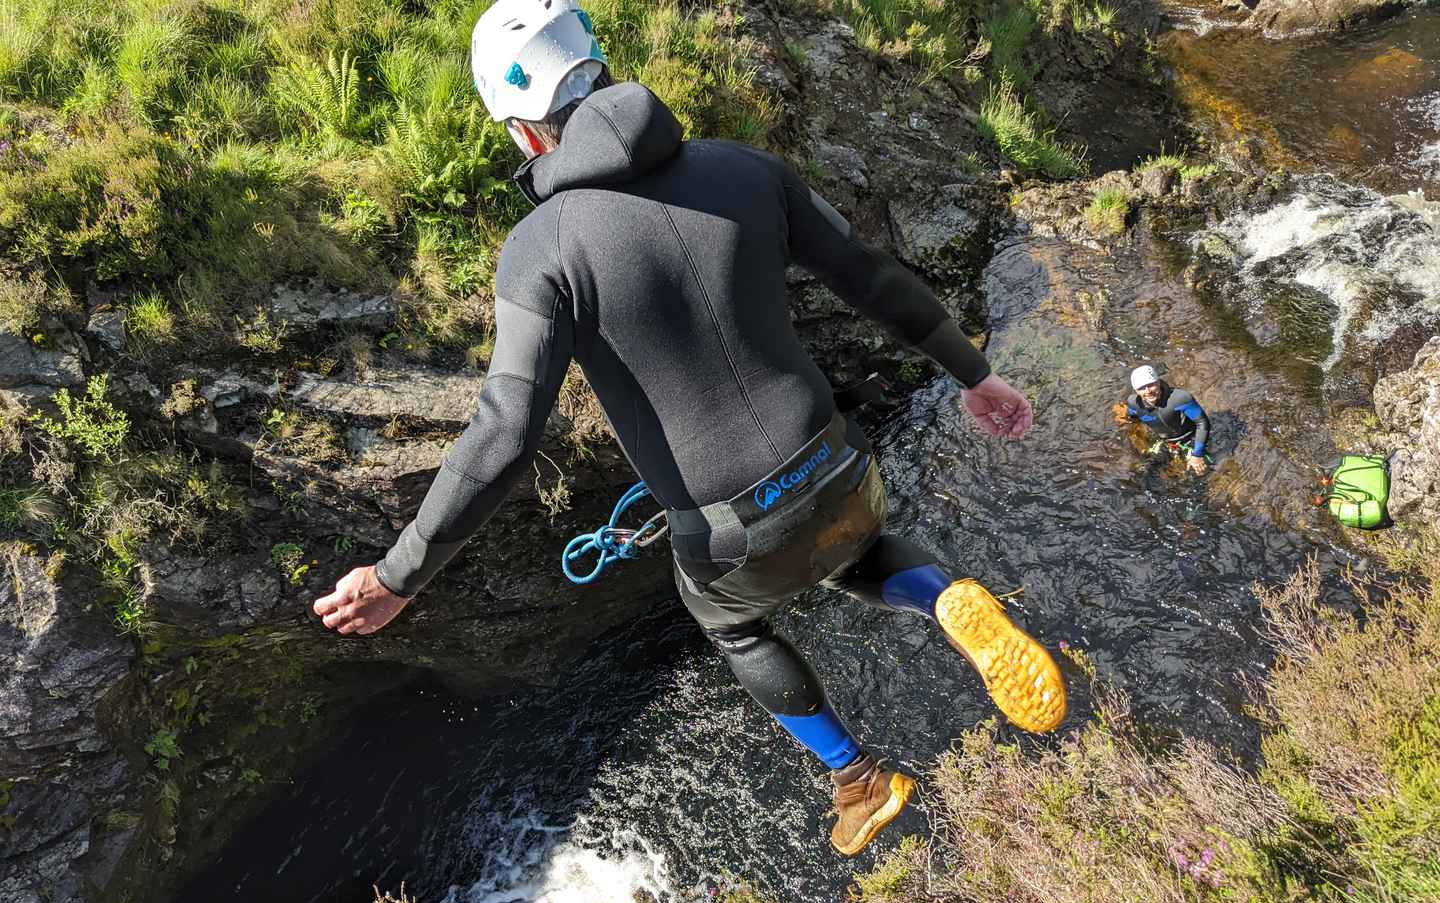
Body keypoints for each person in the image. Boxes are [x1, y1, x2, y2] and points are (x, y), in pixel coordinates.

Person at [313, 0, 1067, 857]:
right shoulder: (746, 169)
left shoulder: (541, 250)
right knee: (849, 551)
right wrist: (975, 374)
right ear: (600, 67)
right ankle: (943, 597)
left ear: (523, 132)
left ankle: (858, 780)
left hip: (732, 533)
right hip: (841, 464)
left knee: (732, 623)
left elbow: (504, 432)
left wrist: (399, 575)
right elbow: (872, 277)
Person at [1113, 365, 1211, 476]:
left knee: (1198, 474)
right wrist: (1122, 419)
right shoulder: (1134, 403)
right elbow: (1131, 416)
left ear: (1158, 382)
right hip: (1165, 442)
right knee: (1142, 472)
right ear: (1136, 391)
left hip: (1192, 439)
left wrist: (1197, 455)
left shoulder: (1179, 398)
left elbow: (1202, 423)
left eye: (1151, 385)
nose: (1148, 391)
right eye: (1142, 388)